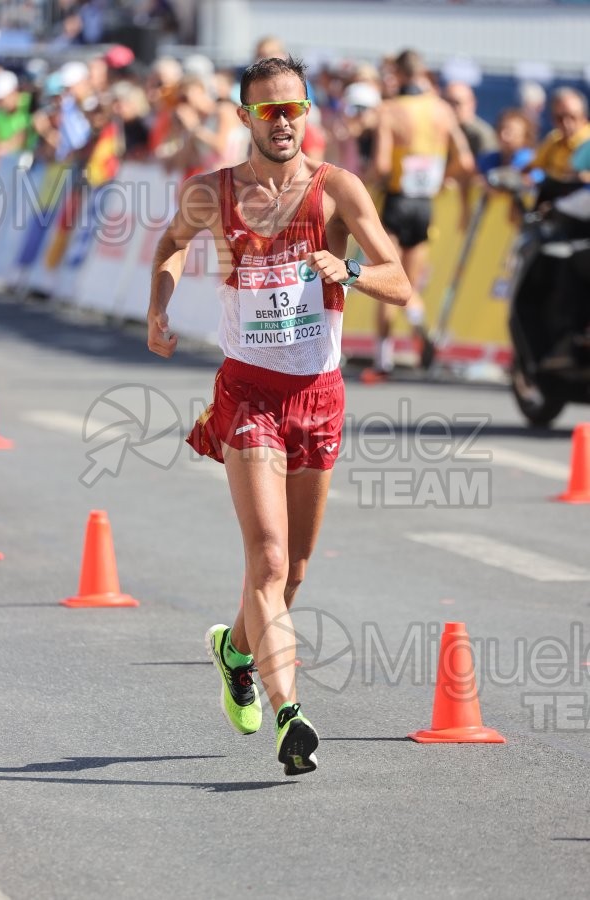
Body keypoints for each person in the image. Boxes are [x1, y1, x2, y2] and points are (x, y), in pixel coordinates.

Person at [147, 56, 410, 775]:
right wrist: (158, 307)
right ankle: (290, 714)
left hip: (319, 396)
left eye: (294, 108)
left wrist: (349, 270)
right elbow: (170, 247)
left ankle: (234, 651)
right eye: (270, 112)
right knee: (264, 557)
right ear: (244, 119)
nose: (285, 121)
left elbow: (401, 282)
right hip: (249, 395)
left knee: (290, 572)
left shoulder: (336, 191)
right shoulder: (213, 194)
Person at [362, 49, 473, 382]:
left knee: (385, 279)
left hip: (396, 199)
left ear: (397, 72)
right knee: (407, 283)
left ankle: (383, 360)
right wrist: (440, 179)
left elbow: (381, 165)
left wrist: (362, 185)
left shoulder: (389, 110)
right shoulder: (441, 109)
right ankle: (416, 319)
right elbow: (465, 161)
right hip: (425, 202)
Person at [528, 87, 590, 205]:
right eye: (559, 118)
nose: (566, 123)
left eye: (572, 116)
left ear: (584, 116)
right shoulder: (553, 139)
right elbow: (531, 168)